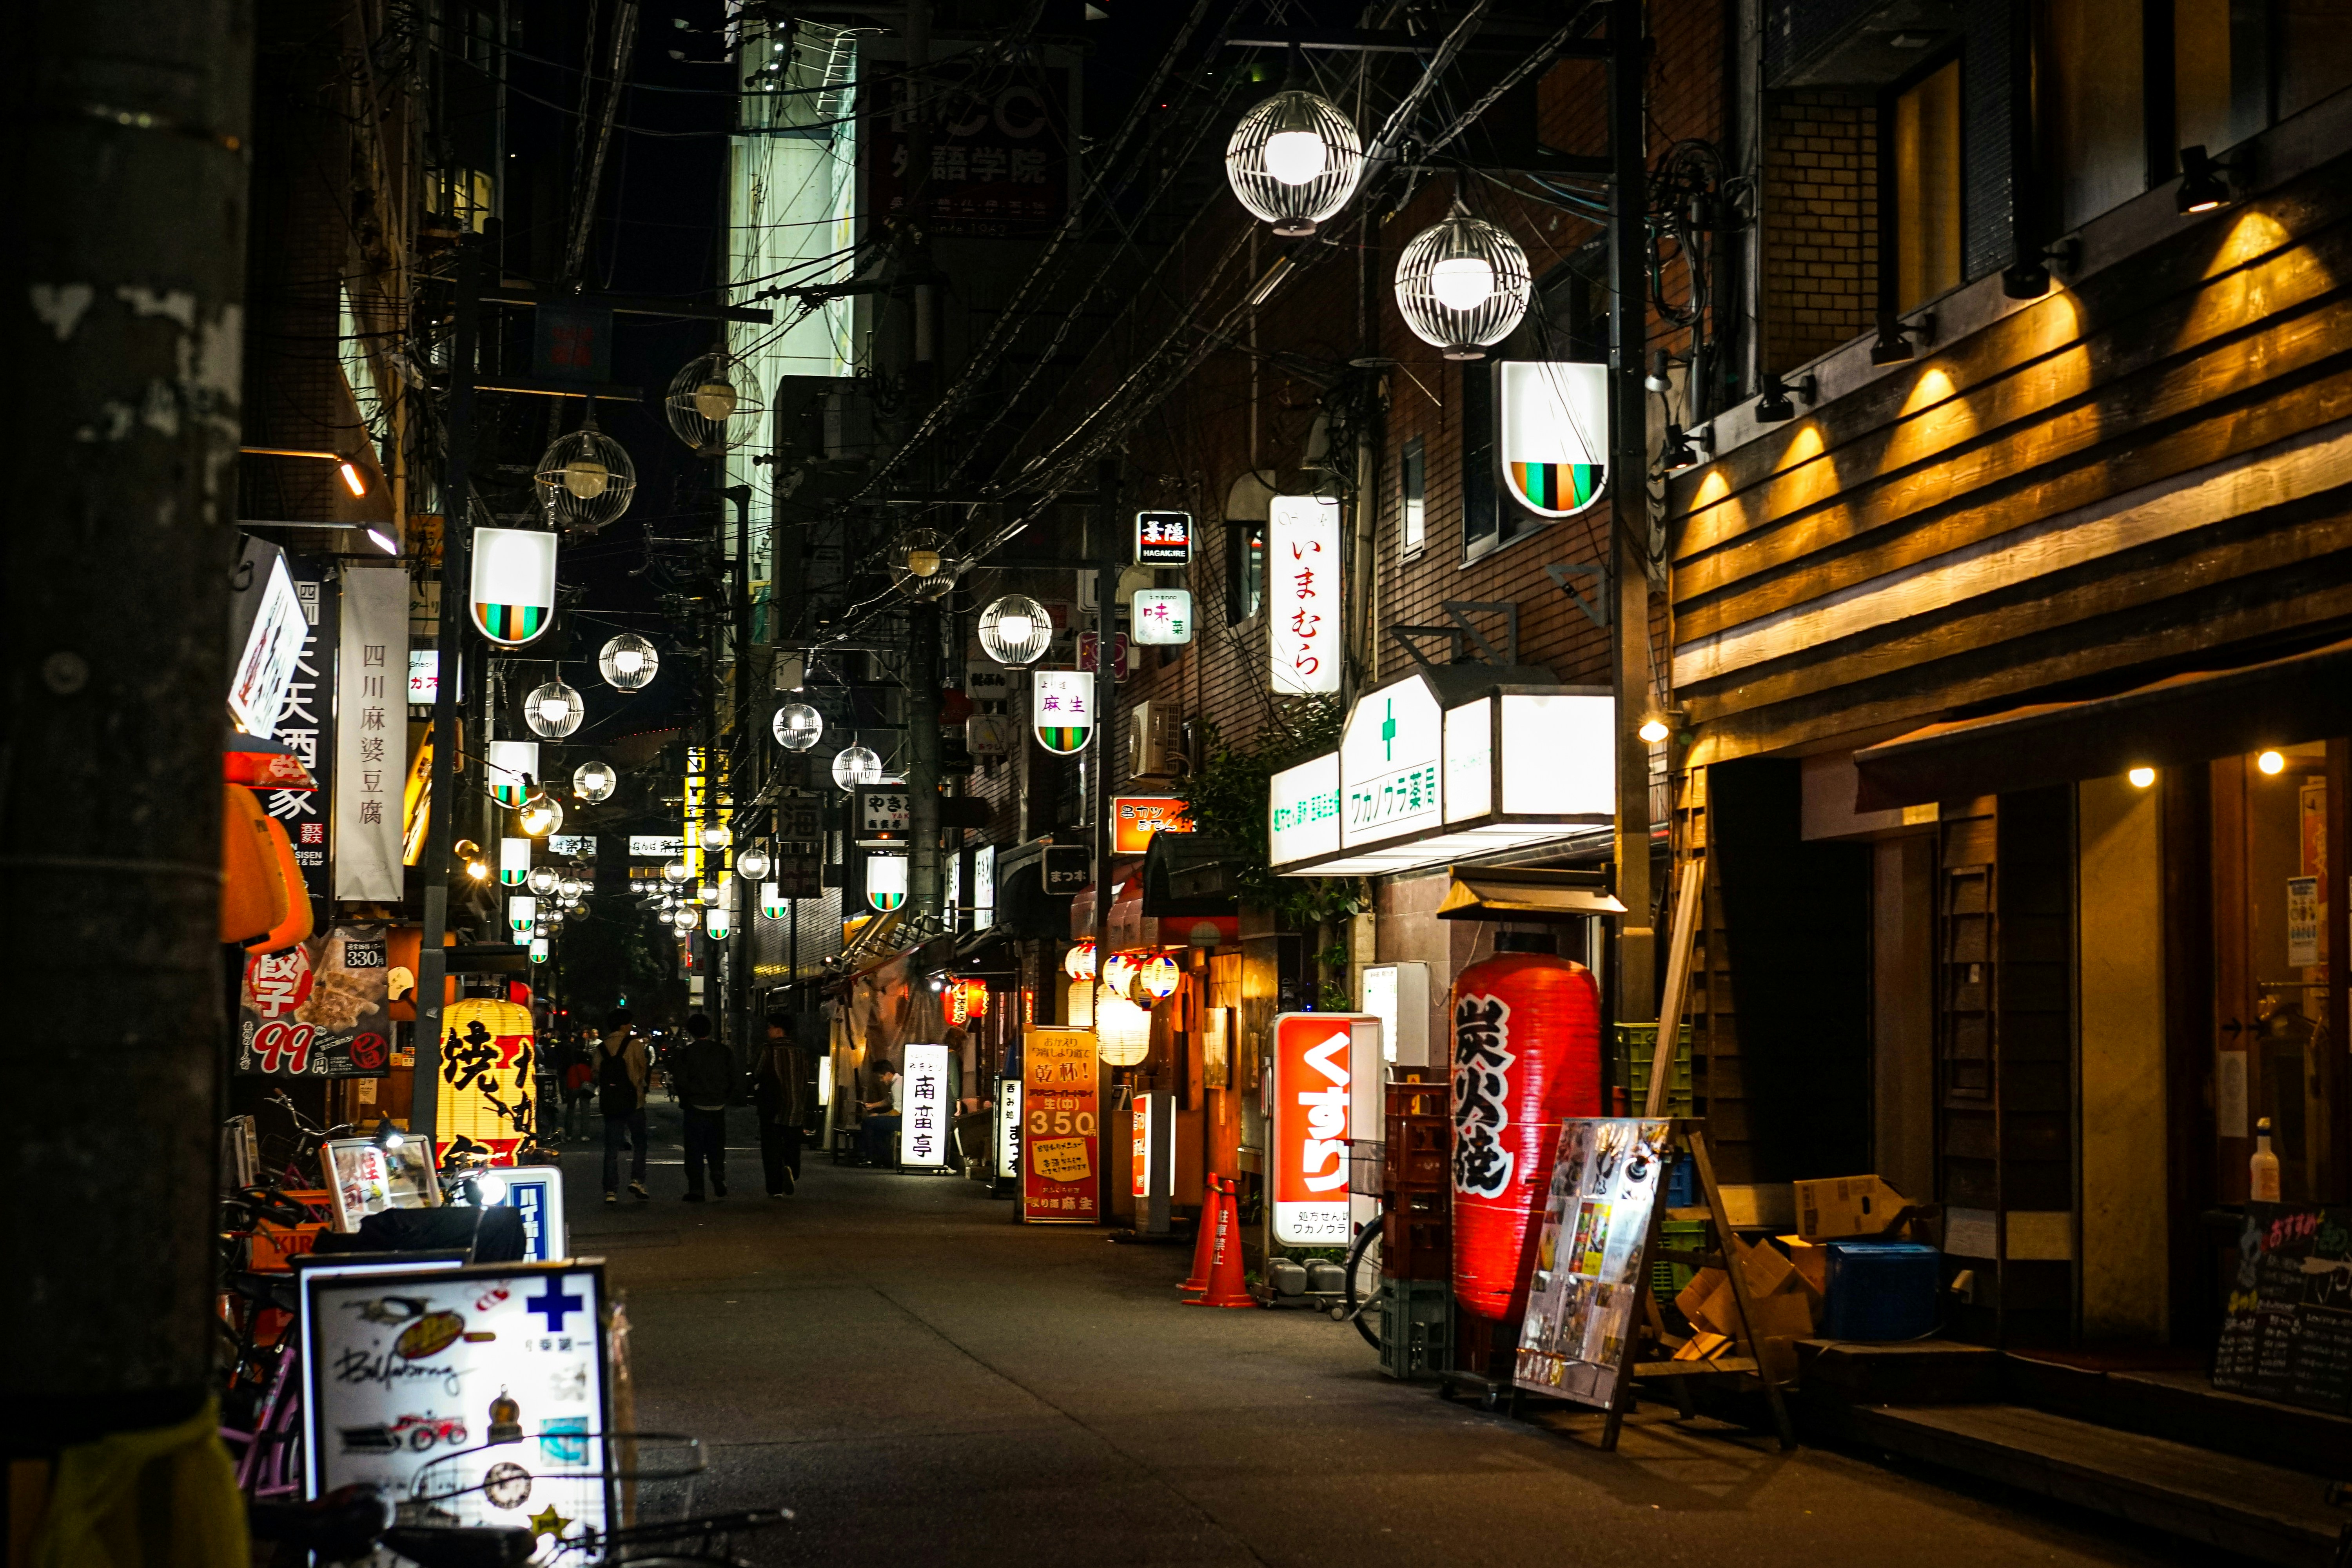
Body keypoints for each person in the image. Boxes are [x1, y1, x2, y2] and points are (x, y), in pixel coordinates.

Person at [674, 1013, 735, 1201]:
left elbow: (681, 1081)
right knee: (716, 1145)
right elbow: (733, 1077)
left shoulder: (686, 1054)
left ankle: (697, 1189)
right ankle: (718, 1173)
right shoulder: (723, 1051)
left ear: (691, 1032)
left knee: (694, 1149)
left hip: (695, 1106)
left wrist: (686, 1099)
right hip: (717, 1106)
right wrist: (724, 1096)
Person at [753, 1013, 811, 1198]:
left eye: (770, 1027)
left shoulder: (769, 1050)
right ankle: (791, 1169)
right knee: (792, 1145)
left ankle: (775, 1188)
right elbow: (805, 1078)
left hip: (773, 1108)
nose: (768, 1031)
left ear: (779, 1030)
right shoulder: (801, 1051)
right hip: (796, 1108)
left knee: (771, 1148)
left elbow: (757, 1072)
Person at [597, 1008, 650, 1204]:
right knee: (640, 1143)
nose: (631, 1027)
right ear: (623, 1025)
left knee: (611, 1148)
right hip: (634, 1102)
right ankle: (637, 1180)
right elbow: (642, 1068)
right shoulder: (634, 1045)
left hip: (611, 1103)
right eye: (629, 1024)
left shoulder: (602, 1047)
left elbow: (597, 1073)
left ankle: (610, 1190)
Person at [859, 1060, 902, 1167]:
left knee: (868, 1122)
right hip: (901, 1118)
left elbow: (896, 1112)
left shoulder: (898, 1085)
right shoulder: (897, 1082)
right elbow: (889, 1100)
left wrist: (878, 1115)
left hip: (901, 1120)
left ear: (888, 1074)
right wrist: (873, 1106)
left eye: (881, 1077)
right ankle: (883, 1159)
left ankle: (871, 1158)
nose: (881, 1080)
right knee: (876, 1124)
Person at [561, 1032, 596, 1142]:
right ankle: (585, 1134)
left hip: (572, 1084)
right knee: (585, 1110)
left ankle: (569, 1134)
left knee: (571, 1109)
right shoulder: (588, 1057)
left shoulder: (569, 1057)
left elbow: (564, 1071)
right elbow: (593, 1071)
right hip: (585, 1084)